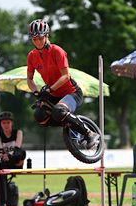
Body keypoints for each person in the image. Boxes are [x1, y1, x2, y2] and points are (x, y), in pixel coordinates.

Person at [26, 18, 99, 149]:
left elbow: (66, 76)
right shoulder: (31, 56)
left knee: (59, 110)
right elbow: (30, 79)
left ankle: (89, 133)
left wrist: (49, 89)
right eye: (34, 39)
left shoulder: (57, 51)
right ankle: (69, 122)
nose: (37, 42)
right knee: (39, 115)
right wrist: (36, 92)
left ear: (47, 35)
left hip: (71, 92)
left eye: (40, 38)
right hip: (52, 93)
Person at [0, 111, 26, 206]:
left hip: (17, 162)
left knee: (22, 153)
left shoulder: (18, 132)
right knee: (0, 171)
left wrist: (9, 156)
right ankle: (2, 202)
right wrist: (4, 156)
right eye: (3, 123)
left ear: (12, 123)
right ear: (0, 124)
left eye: (8, 123)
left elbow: (17, 148)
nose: (6, 125)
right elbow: (0, 151)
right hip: (5, 163)